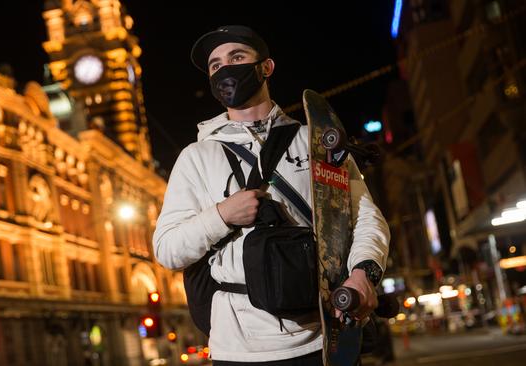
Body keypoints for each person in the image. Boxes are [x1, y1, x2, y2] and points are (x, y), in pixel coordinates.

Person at [153, 25, 390, 365]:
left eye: (237, 57)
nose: (226, 69)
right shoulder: (197, 157)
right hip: (239, 348)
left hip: (326, 337)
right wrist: (220, 216)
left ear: (266, 67)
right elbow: (167, 249)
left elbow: (366, 218)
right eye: (216, 65)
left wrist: (363, 274)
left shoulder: (318, 140)